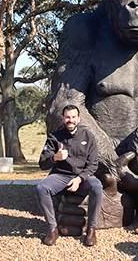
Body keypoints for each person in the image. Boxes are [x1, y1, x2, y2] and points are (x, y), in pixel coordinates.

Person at [35, 105, 103, 247]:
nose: (70, 120)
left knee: (97, 187)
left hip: (82, 176)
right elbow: (42, 163)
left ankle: (91, 230)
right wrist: (55, 158)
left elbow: (93, 165)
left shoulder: (88, 137)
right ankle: (52, 229)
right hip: (60, 175)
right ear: (63, 118)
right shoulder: (55, 136)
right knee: (41, 188)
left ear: (78, 119)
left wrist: (79, 179)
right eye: (67, 117)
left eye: (73, 117)